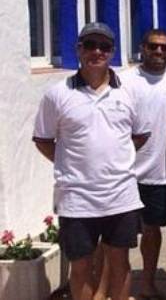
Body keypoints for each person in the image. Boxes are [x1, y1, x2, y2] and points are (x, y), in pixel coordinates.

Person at [32, 22, 150, 300]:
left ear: (112, 52)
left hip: (121, 196)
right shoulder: (57, 94)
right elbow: (43, 140)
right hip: (76, 198)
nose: (97, 51)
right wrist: (74, 164)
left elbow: (140, 135)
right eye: (90, 45)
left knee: (120, 263)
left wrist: (112, 159)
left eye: (104, 46)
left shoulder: (129, 91)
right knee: (81, 266)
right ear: (78, 49)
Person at [120, 29, 166, 299]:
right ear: (142, 48)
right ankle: (111, 285)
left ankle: (147, 284)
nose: (158, 52)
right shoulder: (123, 80)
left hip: (162, 173)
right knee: (115, 236)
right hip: (126, 173)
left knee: (153, 232)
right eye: (153, 47)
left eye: (164, 48)